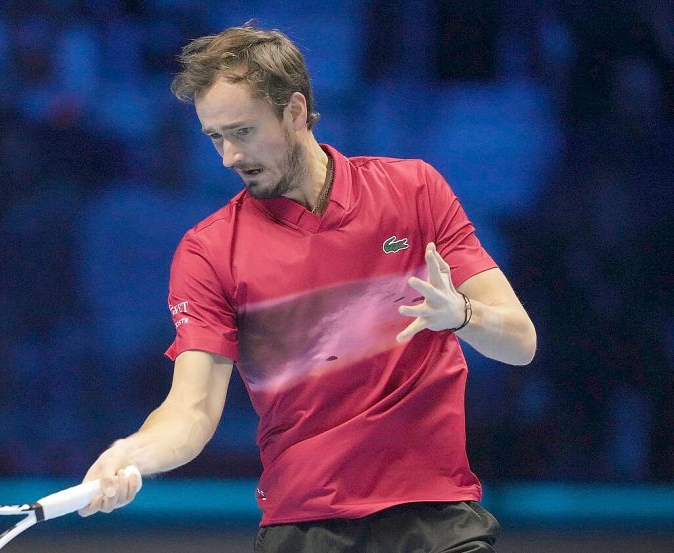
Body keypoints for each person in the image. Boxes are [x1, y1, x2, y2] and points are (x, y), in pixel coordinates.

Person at [78, 24, 536, 553]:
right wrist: (133, 452)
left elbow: (520, 342)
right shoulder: (208, 251)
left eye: (243, 131)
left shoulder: (414, 191)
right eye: (215, 137)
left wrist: (461, 313)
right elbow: (193, 411)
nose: (229, 156)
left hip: (434, 520)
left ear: (296, 111)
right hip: (304, 528)